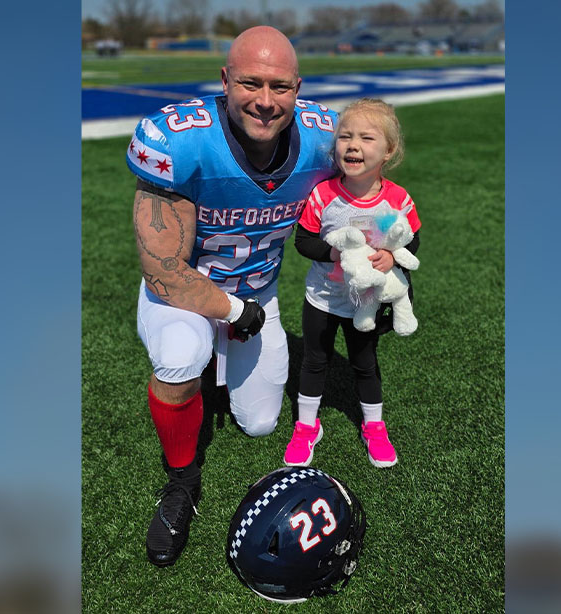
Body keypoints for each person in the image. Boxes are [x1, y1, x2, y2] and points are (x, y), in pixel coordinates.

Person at [125, 26, 338, 567]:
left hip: (258, 292)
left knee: (260, 423)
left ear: (298, 88)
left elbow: (368, 192)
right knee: (181, 355)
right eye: (250, 83)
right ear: (225, 80)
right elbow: (164, 272)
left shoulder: (324, 139)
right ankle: (182, 481)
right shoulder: (182, 141)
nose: (265, 101)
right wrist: (235, 312)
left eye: (280, 86)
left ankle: (215, 377)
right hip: (185, 296)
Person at [283, 98, 421, 469]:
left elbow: (411, 240)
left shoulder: (395, 200)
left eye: (366, 138)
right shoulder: (324, 195)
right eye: (345, 136)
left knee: (364, 362)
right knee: (315, 360)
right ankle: (307, 426)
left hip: (368, 302)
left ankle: (374, 426)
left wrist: (391, 257)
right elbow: (303, 241)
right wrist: (335, 253)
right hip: (324, 297)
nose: (353, 145)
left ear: (389, 151)